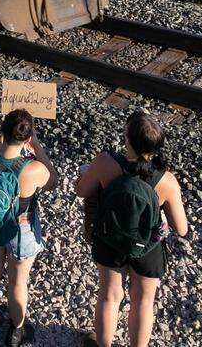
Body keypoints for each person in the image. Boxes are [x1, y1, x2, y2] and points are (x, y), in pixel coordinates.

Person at [77, 112, 189, 347]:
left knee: (109, 296)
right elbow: (182, 229)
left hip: (110, 240)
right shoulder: (167, 180)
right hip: (147, 247)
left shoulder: (105, 163)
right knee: (144, 303)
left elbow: (81, 191)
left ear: (127, 140)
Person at [0, 110, 56, 346]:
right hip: (22, 229)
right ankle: (17, 330)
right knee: (17, 281)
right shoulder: (33, 169)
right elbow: (54, 181)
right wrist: (37, 148)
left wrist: (1, 141)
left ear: (2, 131)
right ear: (28, 138)